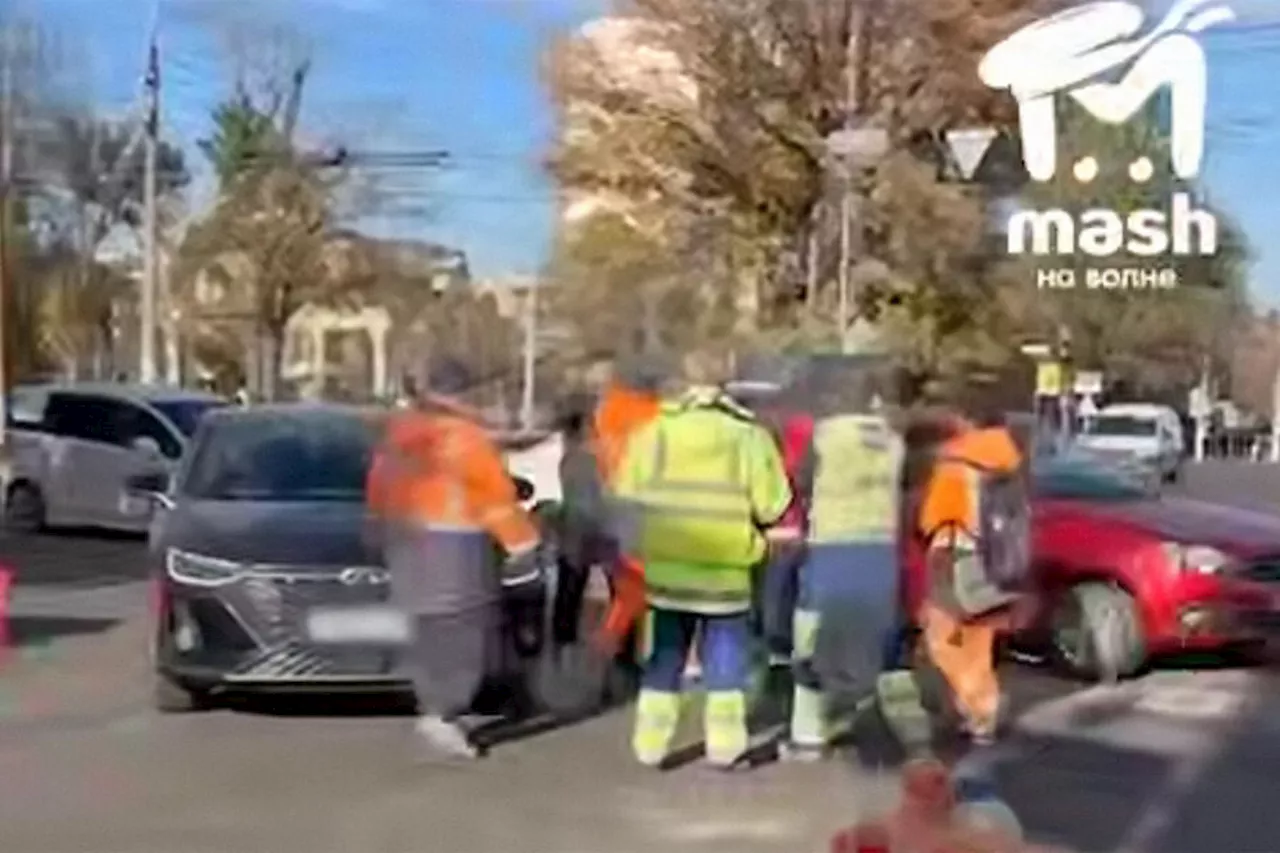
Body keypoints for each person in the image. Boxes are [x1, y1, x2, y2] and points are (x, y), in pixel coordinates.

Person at [612, 356, 793, 769]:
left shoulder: (653, 433)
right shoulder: (749, 436)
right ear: (726, 386)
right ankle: (725, 747)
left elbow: (626, 495)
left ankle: (651, 745)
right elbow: (773, 505)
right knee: (725, 662)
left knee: (666, 655)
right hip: (726, 570)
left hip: (668, 569)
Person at [364, 358, 543, 760]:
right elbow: (492, 497)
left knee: (426, 627)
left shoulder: (401, 432)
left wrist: (378, 528)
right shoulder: (464, 436)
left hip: (406, 537)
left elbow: (379, 482)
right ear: (463, 393)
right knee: (465, 630)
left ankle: (432, 704)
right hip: (455, 545)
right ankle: (443, 713)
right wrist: (522, 543)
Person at [784, 359, 905, 759]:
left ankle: (808, 736)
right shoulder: (893, 439)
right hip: (881, 547)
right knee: (877, 642)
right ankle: (899, 732)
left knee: (811, 642)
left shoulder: (825, 437)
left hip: (834, 545)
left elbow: (799, 485)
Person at [915, 393, 1026, 746]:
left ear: (967, 422)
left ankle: (974, 706)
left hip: (954, 551)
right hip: (997, 560)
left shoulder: (955, 460)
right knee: (979, 640)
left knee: (941, 638)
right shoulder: (1010, 460)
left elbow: (933, 516)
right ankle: (984, 714)